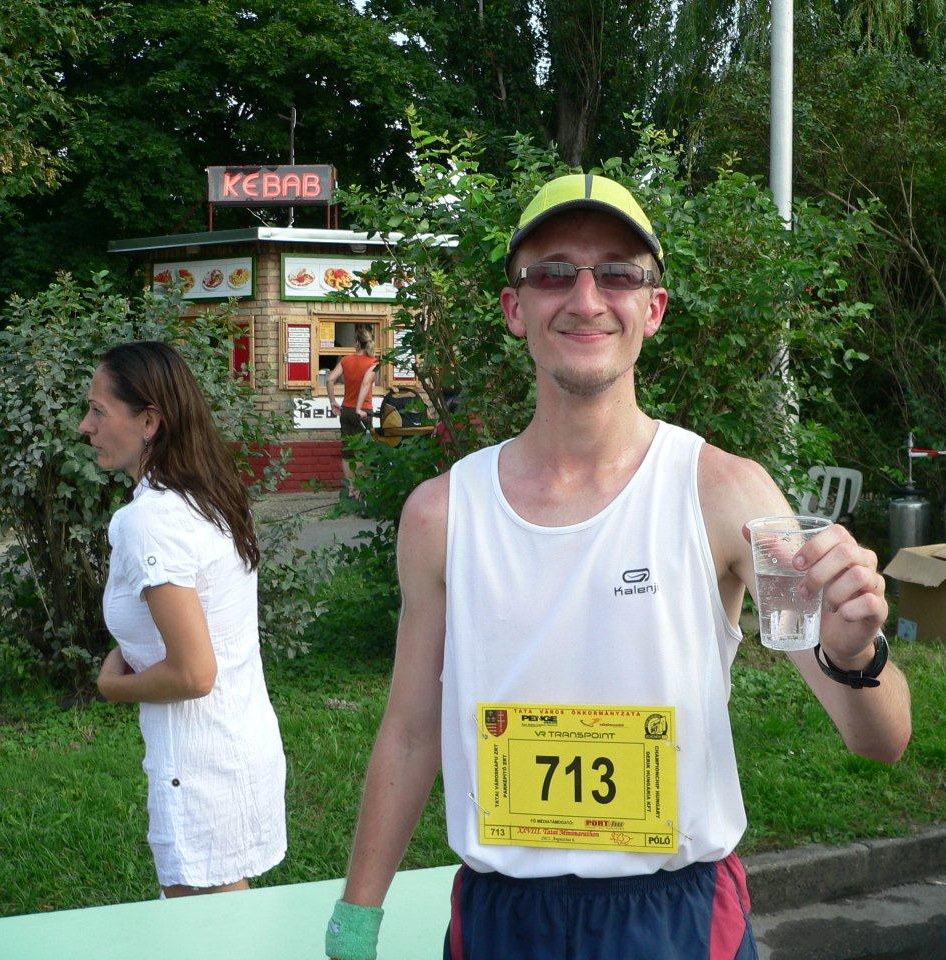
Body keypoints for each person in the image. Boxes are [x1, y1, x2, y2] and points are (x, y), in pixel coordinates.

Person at [324, 173, 911, 960]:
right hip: (502, 922)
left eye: (618, 275)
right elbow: (409, 731)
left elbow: (881, 739)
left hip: (673, 920)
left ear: (653, 309)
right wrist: (357, 915)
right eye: (553, 273)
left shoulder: (727, 495)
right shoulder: (442, 514)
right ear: (515, 308)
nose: (586, 298)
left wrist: (855, 651)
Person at [80, 341, 286, 898]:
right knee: (228, 920)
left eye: (98, 410)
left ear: (149, 422)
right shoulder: (206, 495)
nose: (85, 426)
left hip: (199, 768)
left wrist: (112, 686)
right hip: (237, 744)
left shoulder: (150, 520)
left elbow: (194, 673)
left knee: (207, 927)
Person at [326, 325, 378, 498]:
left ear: (356, 342)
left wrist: (333, 401)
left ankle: (351, 489)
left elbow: (330, 379)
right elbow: (366, 383)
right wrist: (359, 408)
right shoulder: (373, 362)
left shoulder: (346, 360)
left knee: (348, 453)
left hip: (346, 411)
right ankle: (361, 490)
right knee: (363, 452)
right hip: (363, 412)